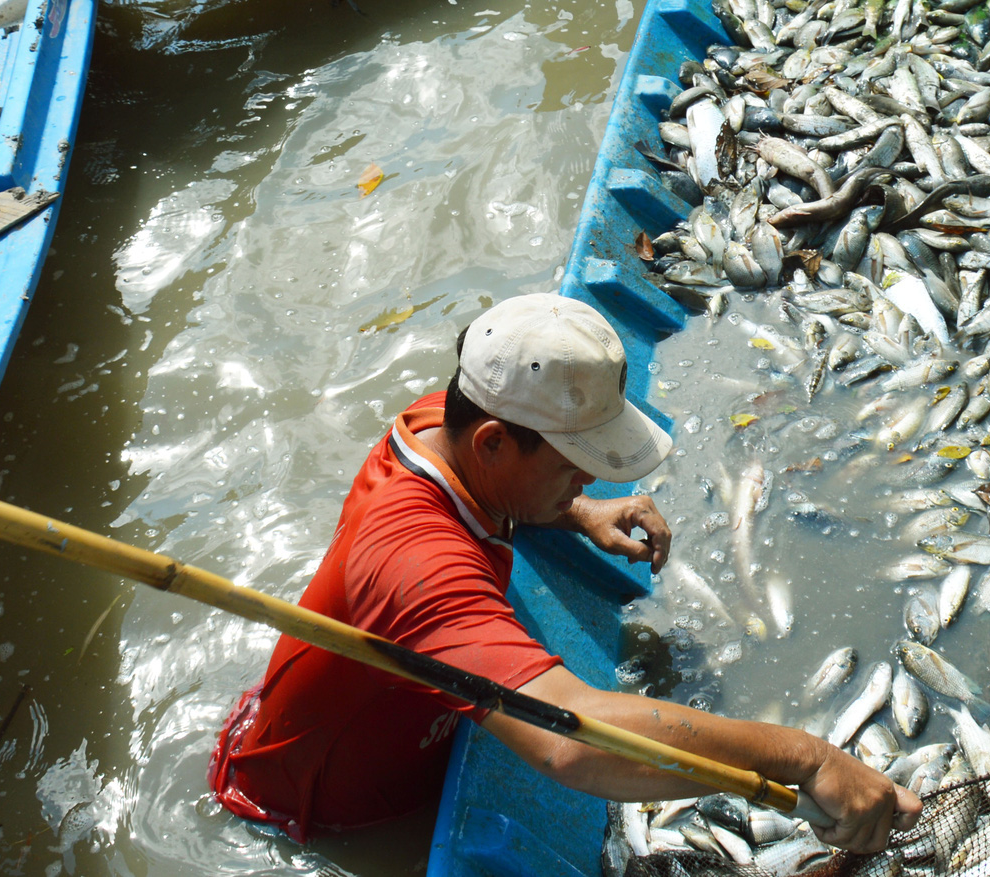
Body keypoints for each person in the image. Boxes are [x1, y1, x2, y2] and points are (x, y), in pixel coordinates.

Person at [208, 292, 919, 847]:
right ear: (492, 442)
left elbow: (494, 489)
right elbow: (572, 739)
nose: (587, 474)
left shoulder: (437, 423)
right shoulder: (413, 565)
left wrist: (577, 511)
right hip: (312, 818)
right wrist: (808, 758)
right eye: (572, 461)